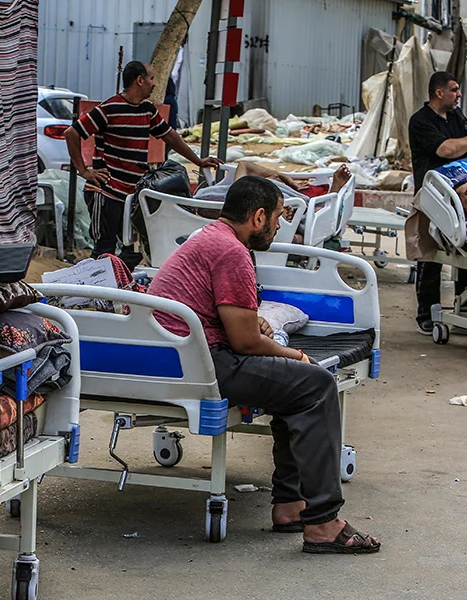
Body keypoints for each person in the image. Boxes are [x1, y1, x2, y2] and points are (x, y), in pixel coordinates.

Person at [148, 175, 381, 555]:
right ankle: (323, 523)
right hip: (202, 363)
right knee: (315, 384)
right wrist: (298, 356)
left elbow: (228, 318)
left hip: (177, 354)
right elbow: (245, 343)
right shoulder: (233, 252)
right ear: (258, 217)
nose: (277, 225)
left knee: (294, 390)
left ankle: (291, 505)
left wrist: (250, 321)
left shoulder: (209, 237)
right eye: (277, 216)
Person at [64, 60, 221, 269]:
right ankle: (97, 294)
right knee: (104, 248)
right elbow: (72, 133)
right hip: (107, 191)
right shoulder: (109, 109)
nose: (154, 83)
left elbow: (171, 137)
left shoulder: (147, 110)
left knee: (133, 250)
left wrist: (198, 161)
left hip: (133, 194)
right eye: (151, 78)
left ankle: (118, 287)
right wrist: (84, 170)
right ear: (140, 80)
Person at [406, 71, 467, 335]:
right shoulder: (421, 121)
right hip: (434, 196)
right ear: (439, 93)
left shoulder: (457, 117)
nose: (459, 94)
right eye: (454, 89)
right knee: (431, 257)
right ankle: (427, 314)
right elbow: (444, 150)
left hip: (464, 194)